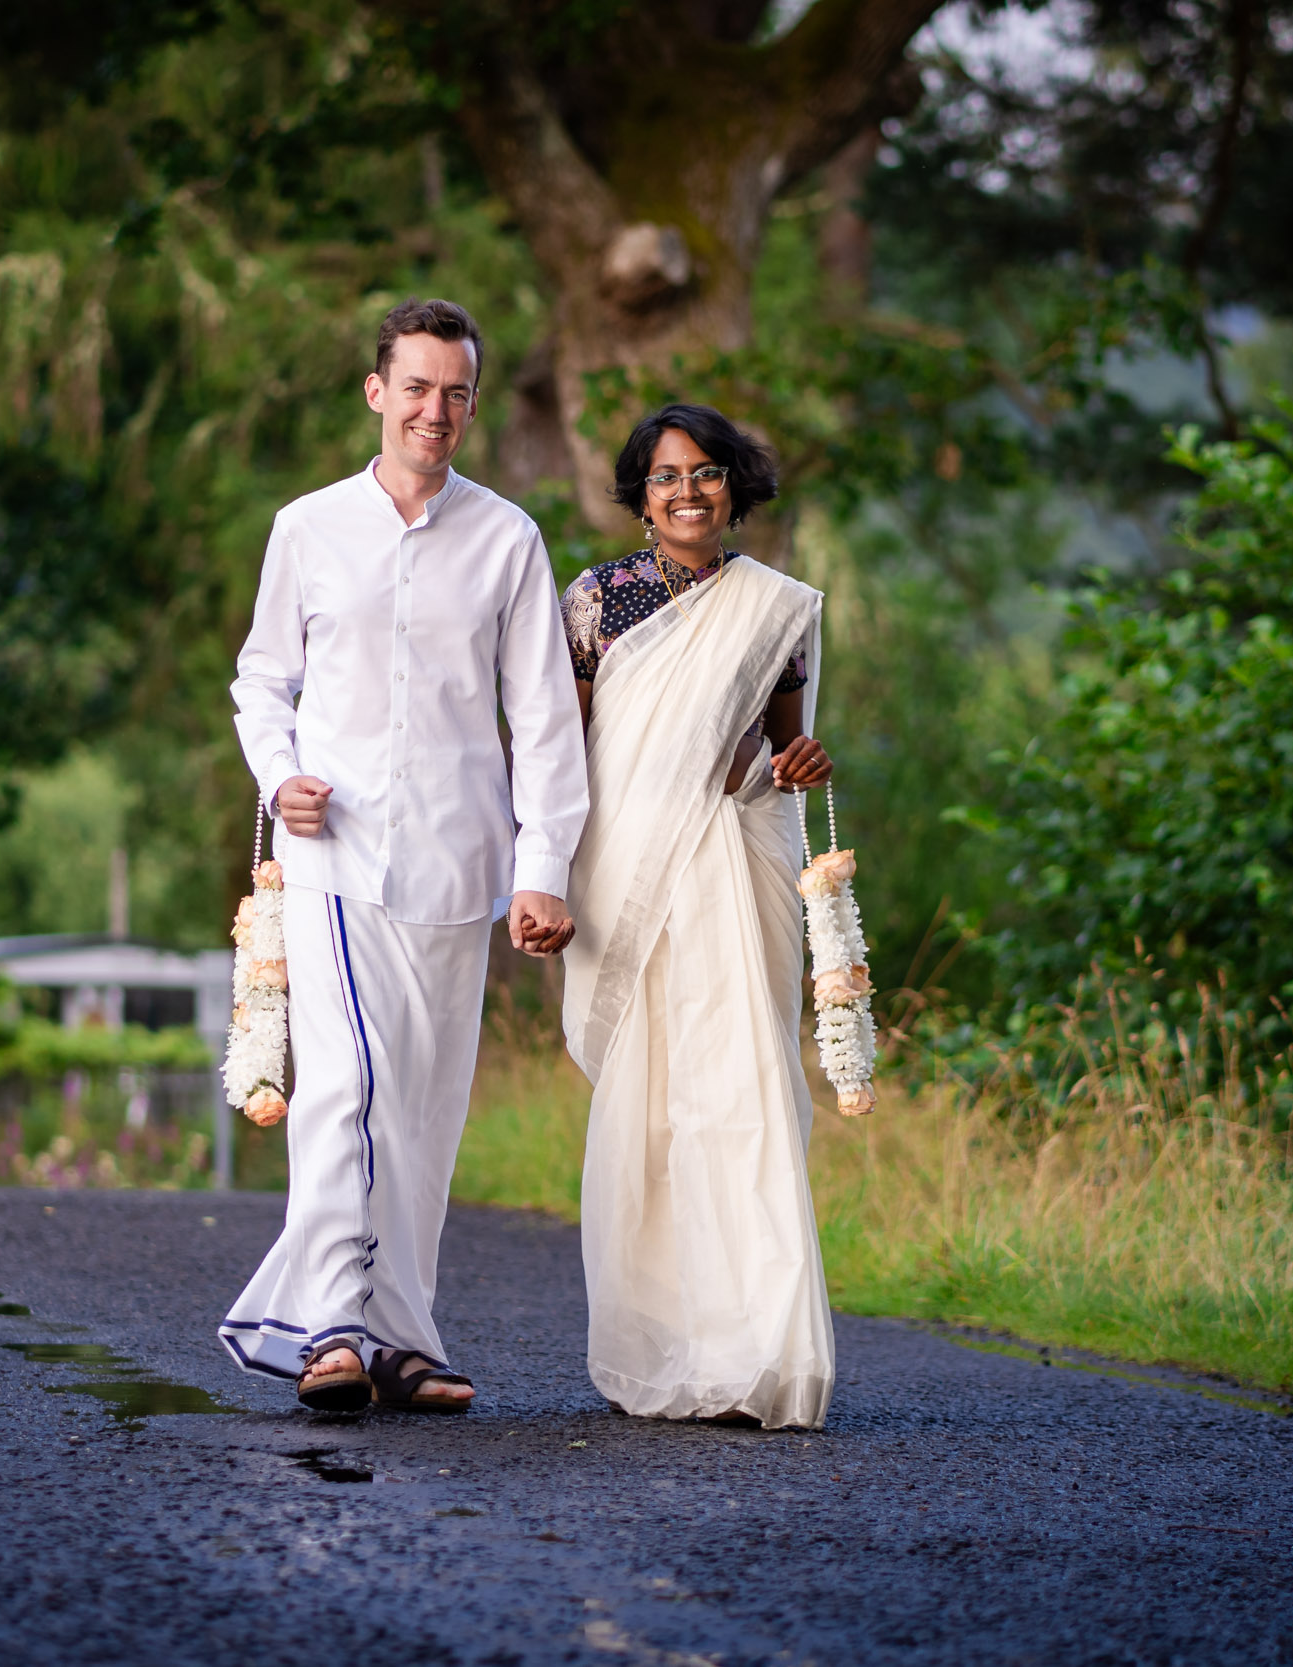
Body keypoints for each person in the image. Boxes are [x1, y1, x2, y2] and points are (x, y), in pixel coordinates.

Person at [219, 298, 588, 1414]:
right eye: (416, 387)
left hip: (456, 862)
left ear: (472, 403)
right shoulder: (308, 527)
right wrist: (278, 771)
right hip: (335, 852)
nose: (435, 410)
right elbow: (260, 676)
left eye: (456, 392)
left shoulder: (507, 539)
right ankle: (328, 1324)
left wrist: (543, 870)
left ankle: (401, 1336)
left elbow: (542, 718)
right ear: (377, 391)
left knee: (424, 1106)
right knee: (347, 1084)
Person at [559, 402, 836, 1430]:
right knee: (653, 1112)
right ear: (640, 496)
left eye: (706, 472)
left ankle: (760, 1355)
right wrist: (539, 873)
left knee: (744, 1102)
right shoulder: (597, 602)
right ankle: (667, 1349)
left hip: (729, 867)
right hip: (625, 874)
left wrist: (799, 763)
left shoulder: (776, 607)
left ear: (736, 485)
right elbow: (560, 752)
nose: (687, 491)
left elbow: (779, 755)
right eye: (665, 476)